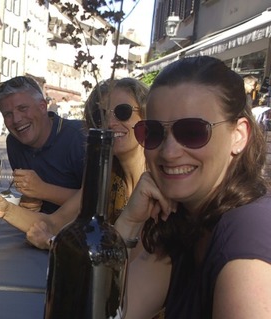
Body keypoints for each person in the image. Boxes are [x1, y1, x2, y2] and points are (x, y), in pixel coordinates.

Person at [112, 56, 271, 318]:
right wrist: (129, 221)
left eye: (192, 131)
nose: (169, 152)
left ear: (239, 136)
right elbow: (104, 311)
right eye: (153, 132)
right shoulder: (182, 220)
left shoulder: (247, 237)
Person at [0, 78, 148, 249]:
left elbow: (139, 260)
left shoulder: (160, 178)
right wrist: (3, 209)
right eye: (101, 115)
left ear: (147, 113)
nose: (110, 123)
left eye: (123, 112)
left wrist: (53, 243)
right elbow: (54, 222)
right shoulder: (108, 176)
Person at [0, 75, 86, 213]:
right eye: (8, 114)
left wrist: (42, 190)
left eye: (23, 108)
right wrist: (29, 201)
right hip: (38, 228)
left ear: (42, 106)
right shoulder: (14, 142)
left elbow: (97, 201)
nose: (16, 119)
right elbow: (31, 196)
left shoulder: (79, 137)